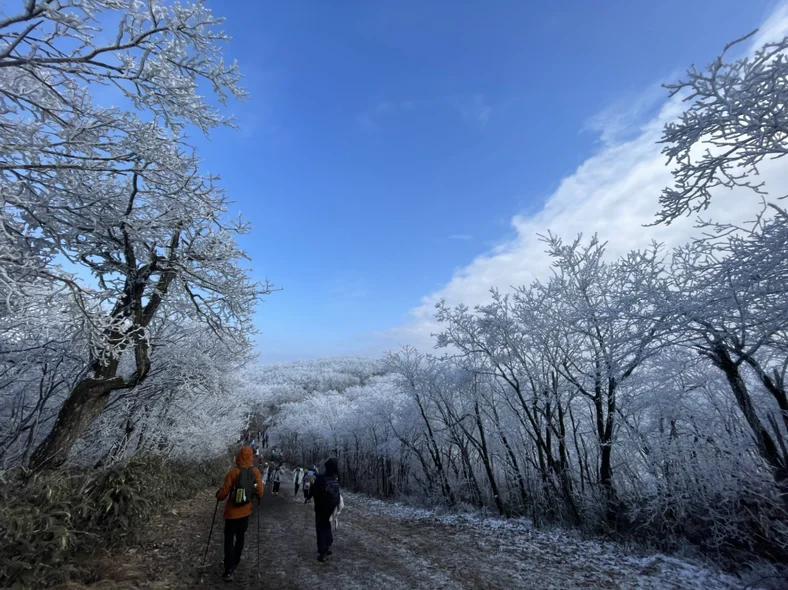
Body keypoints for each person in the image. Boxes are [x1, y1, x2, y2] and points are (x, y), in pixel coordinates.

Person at [216, 447, 264, 582]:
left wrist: (218, 495)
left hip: (231, 514)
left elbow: (223, 494)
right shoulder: (255, 472)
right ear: (251, 457)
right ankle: (235, 562)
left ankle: (228, 569)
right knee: (240, 538)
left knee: (228, 540)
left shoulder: (233, 472)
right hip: (245, 513)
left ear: (238, 457)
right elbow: (260, 492)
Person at [307, 458, 341, 562]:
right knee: (327, 526)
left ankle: (322, 552)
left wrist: (308, 497)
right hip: (331, 508)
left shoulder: (321, 479)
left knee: (320, 528)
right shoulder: (335, 480)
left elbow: (313, 489)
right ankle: (328, 545)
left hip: (320, 508)